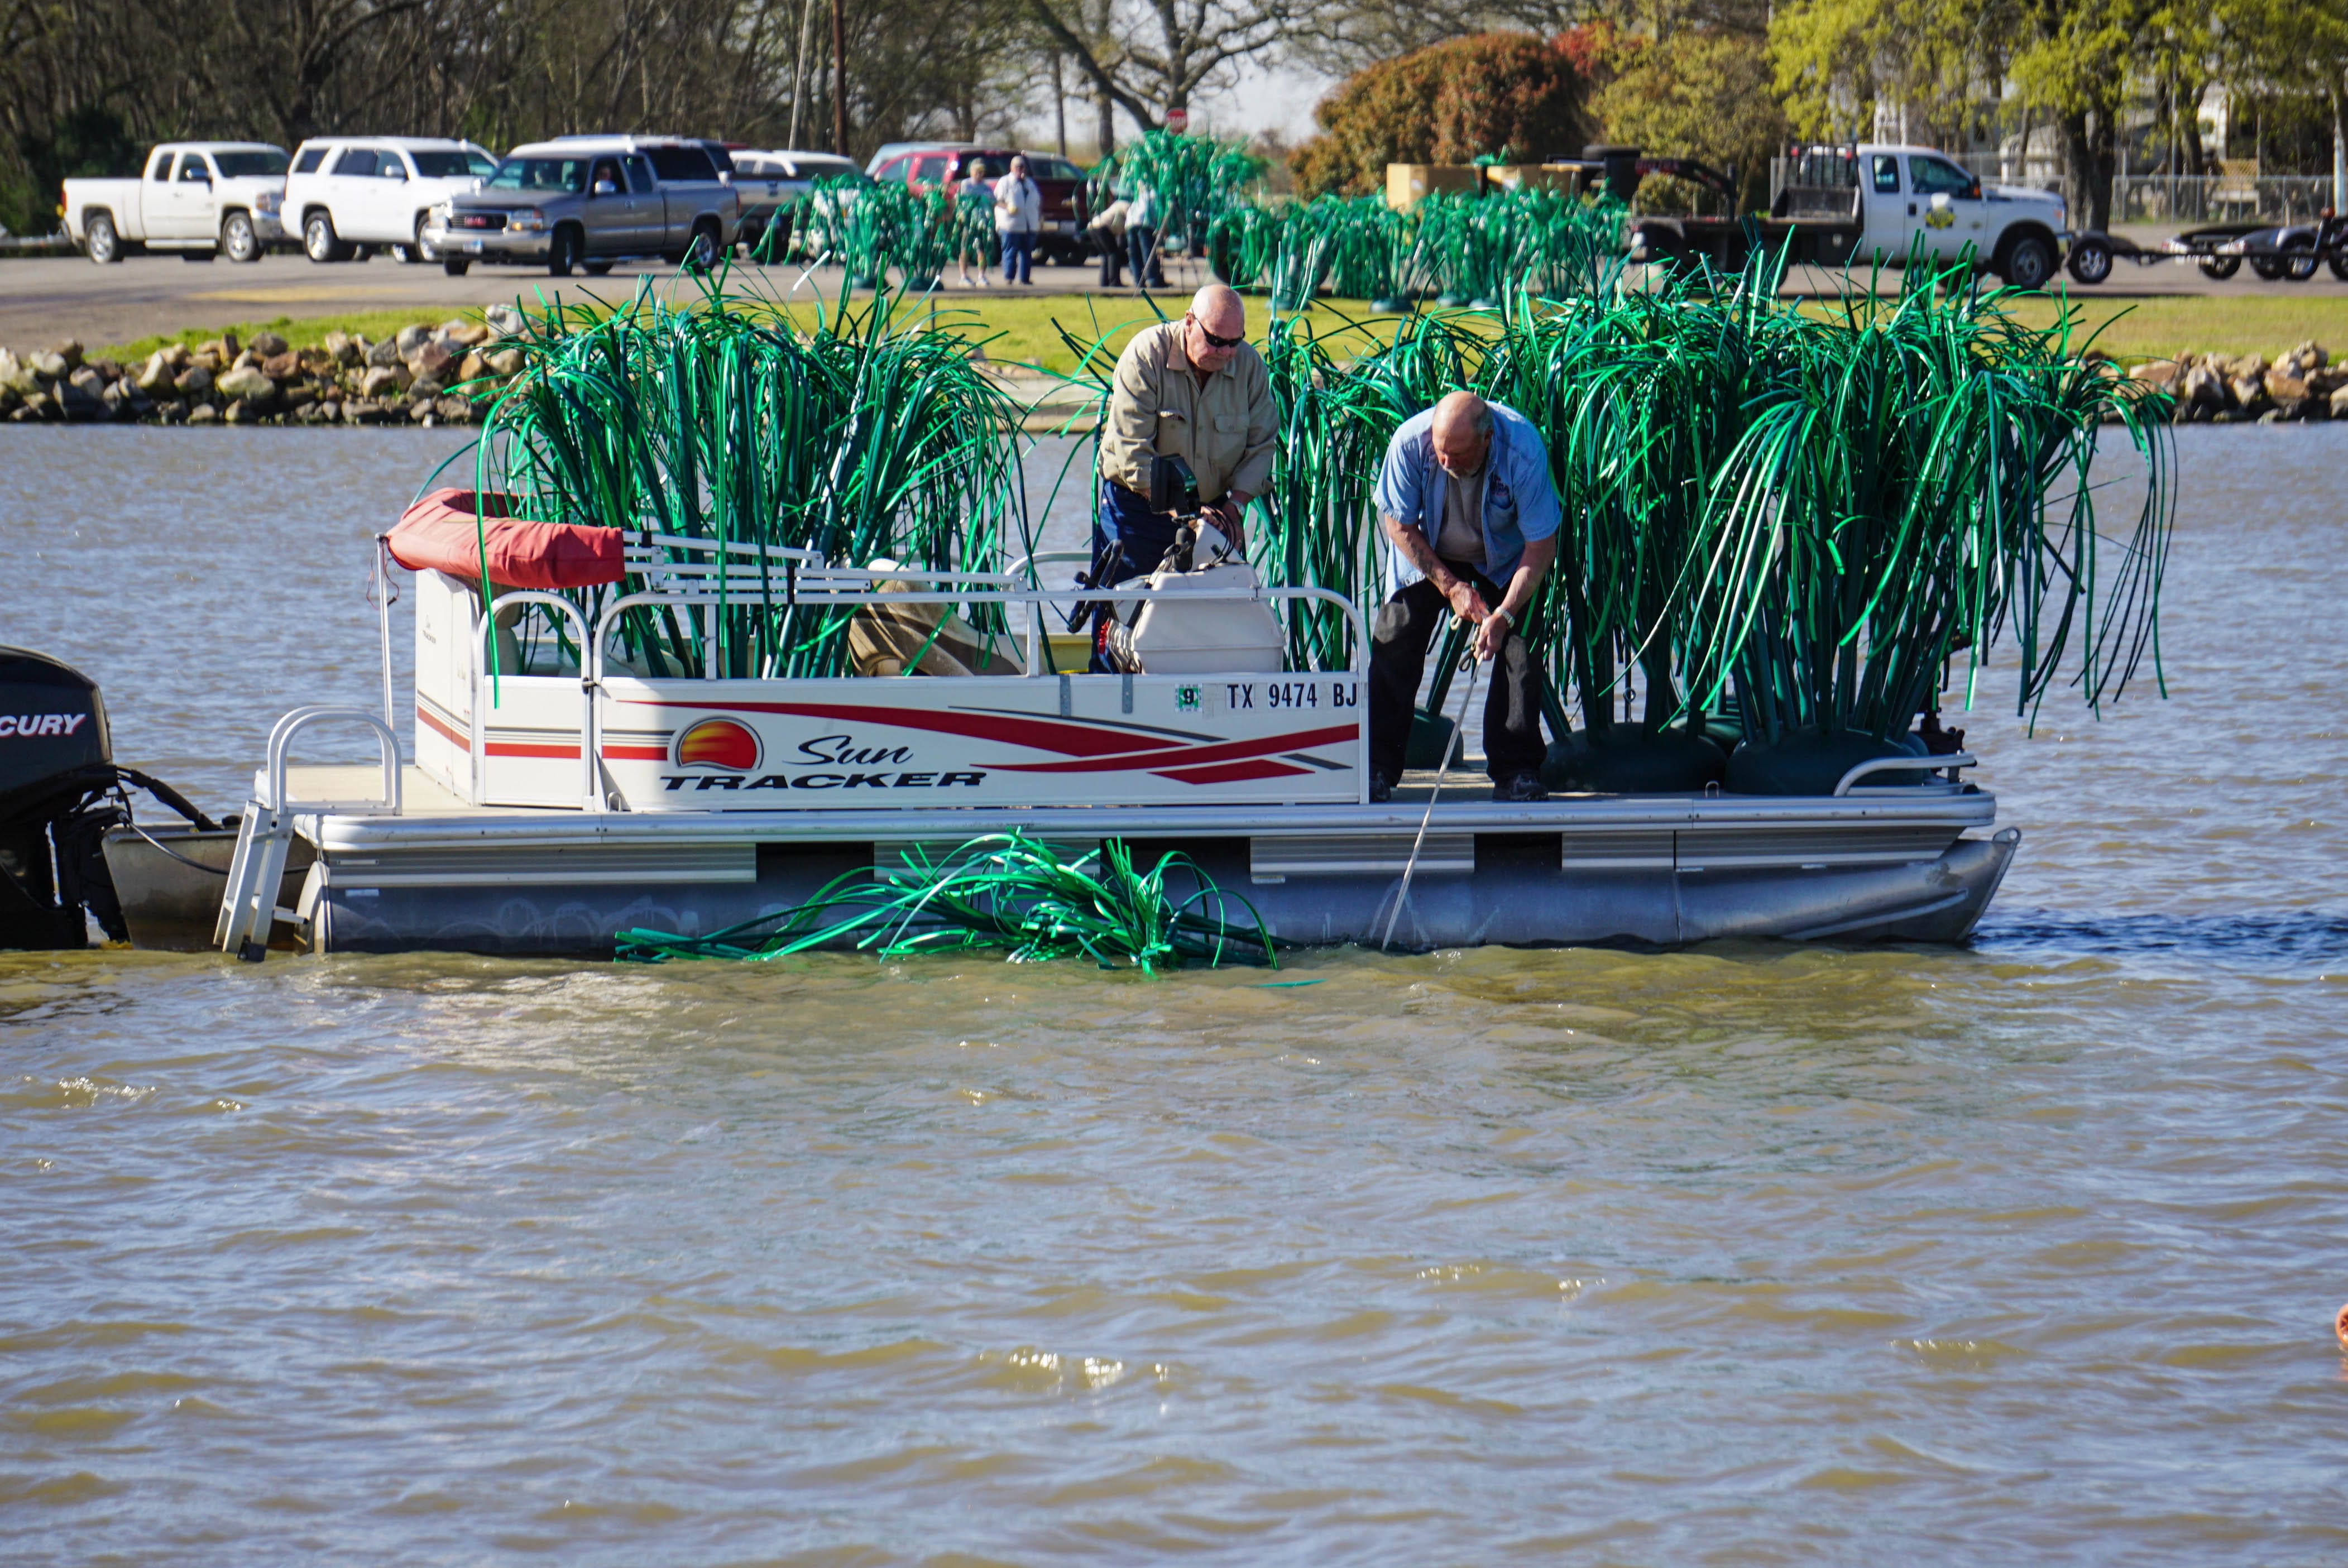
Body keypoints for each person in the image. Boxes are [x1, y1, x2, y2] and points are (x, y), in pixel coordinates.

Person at [1367, 390, 1560, 803]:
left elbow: (1542, 545)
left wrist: (1505, 614)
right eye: (1440, 453)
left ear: (1487, 439)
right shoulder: (1408, 442)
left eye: (1457, 454)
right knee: (1395, 633)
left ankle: (1517, 769)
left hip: (1504, 560)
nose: (1446, 462)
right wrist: (1451, 587)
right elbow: (1398, 525)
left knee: (1522, 646)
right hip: (1431, 551)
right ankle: (1376, 765)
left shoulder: (1522, 452)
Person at [1091, 284, 1276, 666]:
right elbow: (1131, 455)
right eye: (1215, 341)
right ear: (1189, 323)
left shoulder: (1249, 366)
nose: (1226, 354)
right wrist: (1186, 513)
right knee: (1122, 617)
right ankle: (1109, 690)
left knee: (1205, 622)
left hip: (1215, 514)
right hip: (1137, 508)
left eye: (1234, 342)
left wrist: (1235, 505)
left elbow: (1262, 445)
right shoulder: (1145, 355)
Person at [993, 155, 1041, 285]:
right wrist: (1008, 207)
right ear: (1012, 168)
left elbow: (1037, 203)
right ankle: (1009, 278)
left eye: (1022, 167)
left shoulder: (1030, 184)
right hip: (1010, 225)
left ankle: (1024, 279)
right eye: (1017, 167)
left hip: (1029, 225)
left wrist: (1039, 218)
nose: (1020, 169)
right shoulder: (1005, 182)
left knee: (1027, 253)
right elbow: (996, 201)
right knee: (1010, 252)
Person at [954, 159, 993, 287]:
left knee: (982, 250)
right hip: (968, 222)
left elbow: (994, 202)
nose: (979, 174)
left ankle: (981, 276)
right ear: (971, 172)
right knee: (965, 248)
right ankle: (963, 276)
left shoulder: (986, 188)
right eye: (977, 171)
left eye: (982, 172)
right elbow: (959, 202)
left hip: (982, 222)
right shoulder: (965, 185)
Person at [1125, 180, 1166, 289]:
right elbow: (1160, 213)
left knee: (1134, 254)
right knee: (1148, 253)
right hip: (1144, 223)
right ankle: (1153, 280)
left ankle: (1138, 281)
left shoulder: (1140, 196)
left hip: (1130, 222)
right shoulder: (1155, 194)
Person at [1087, 195, 1129, 287]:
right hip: (1103, 227)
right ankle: (1114, 283)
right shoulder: (1128, 207)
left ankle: (1104, 283)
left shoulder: (1118, 205)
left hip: (1093, 226)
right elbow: (1129, 224)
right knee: (1113, 254)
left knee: (1106, 256)